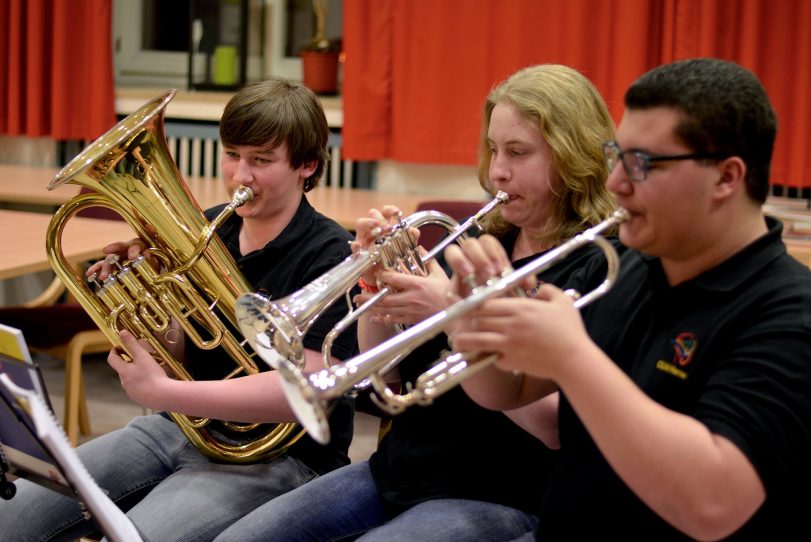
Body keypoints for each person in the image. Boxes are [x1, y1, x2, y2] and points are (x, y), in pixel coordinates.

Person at [214, 64, 618, 541]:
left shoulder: (598, 264)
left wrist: (453, 313)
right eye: (492, 149)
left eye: (518, 152)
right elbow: (387, 377)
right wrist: (374, 285)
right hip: (400, 469)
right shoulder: (476, 240)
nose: (498, 170)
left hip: (502, 491)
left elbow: (555, 427)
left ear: (573, 155)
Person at [447, 58, 811, 540]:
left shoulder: (788, 315)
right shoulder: (626, 266)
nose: (616, 181)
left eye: (641, 164)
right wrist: (474, 331)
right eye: (617, 155)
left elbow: (714, 502)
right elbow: (507, 391)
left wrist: (572, 357)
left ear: (726, 178)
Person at [0, 76, 358, 542]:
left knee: (132, 539)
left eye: (262, 161)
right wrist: (143, 305)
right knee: (13, 516)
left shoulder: (330, 254)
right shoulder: (205, 229)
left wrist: (166, 394)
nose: (241, 176)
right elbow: (186, 353)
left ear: (307, 166)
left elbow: (308, 391)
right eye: (233, 155)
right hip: (183, 429)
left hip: (279, 458)